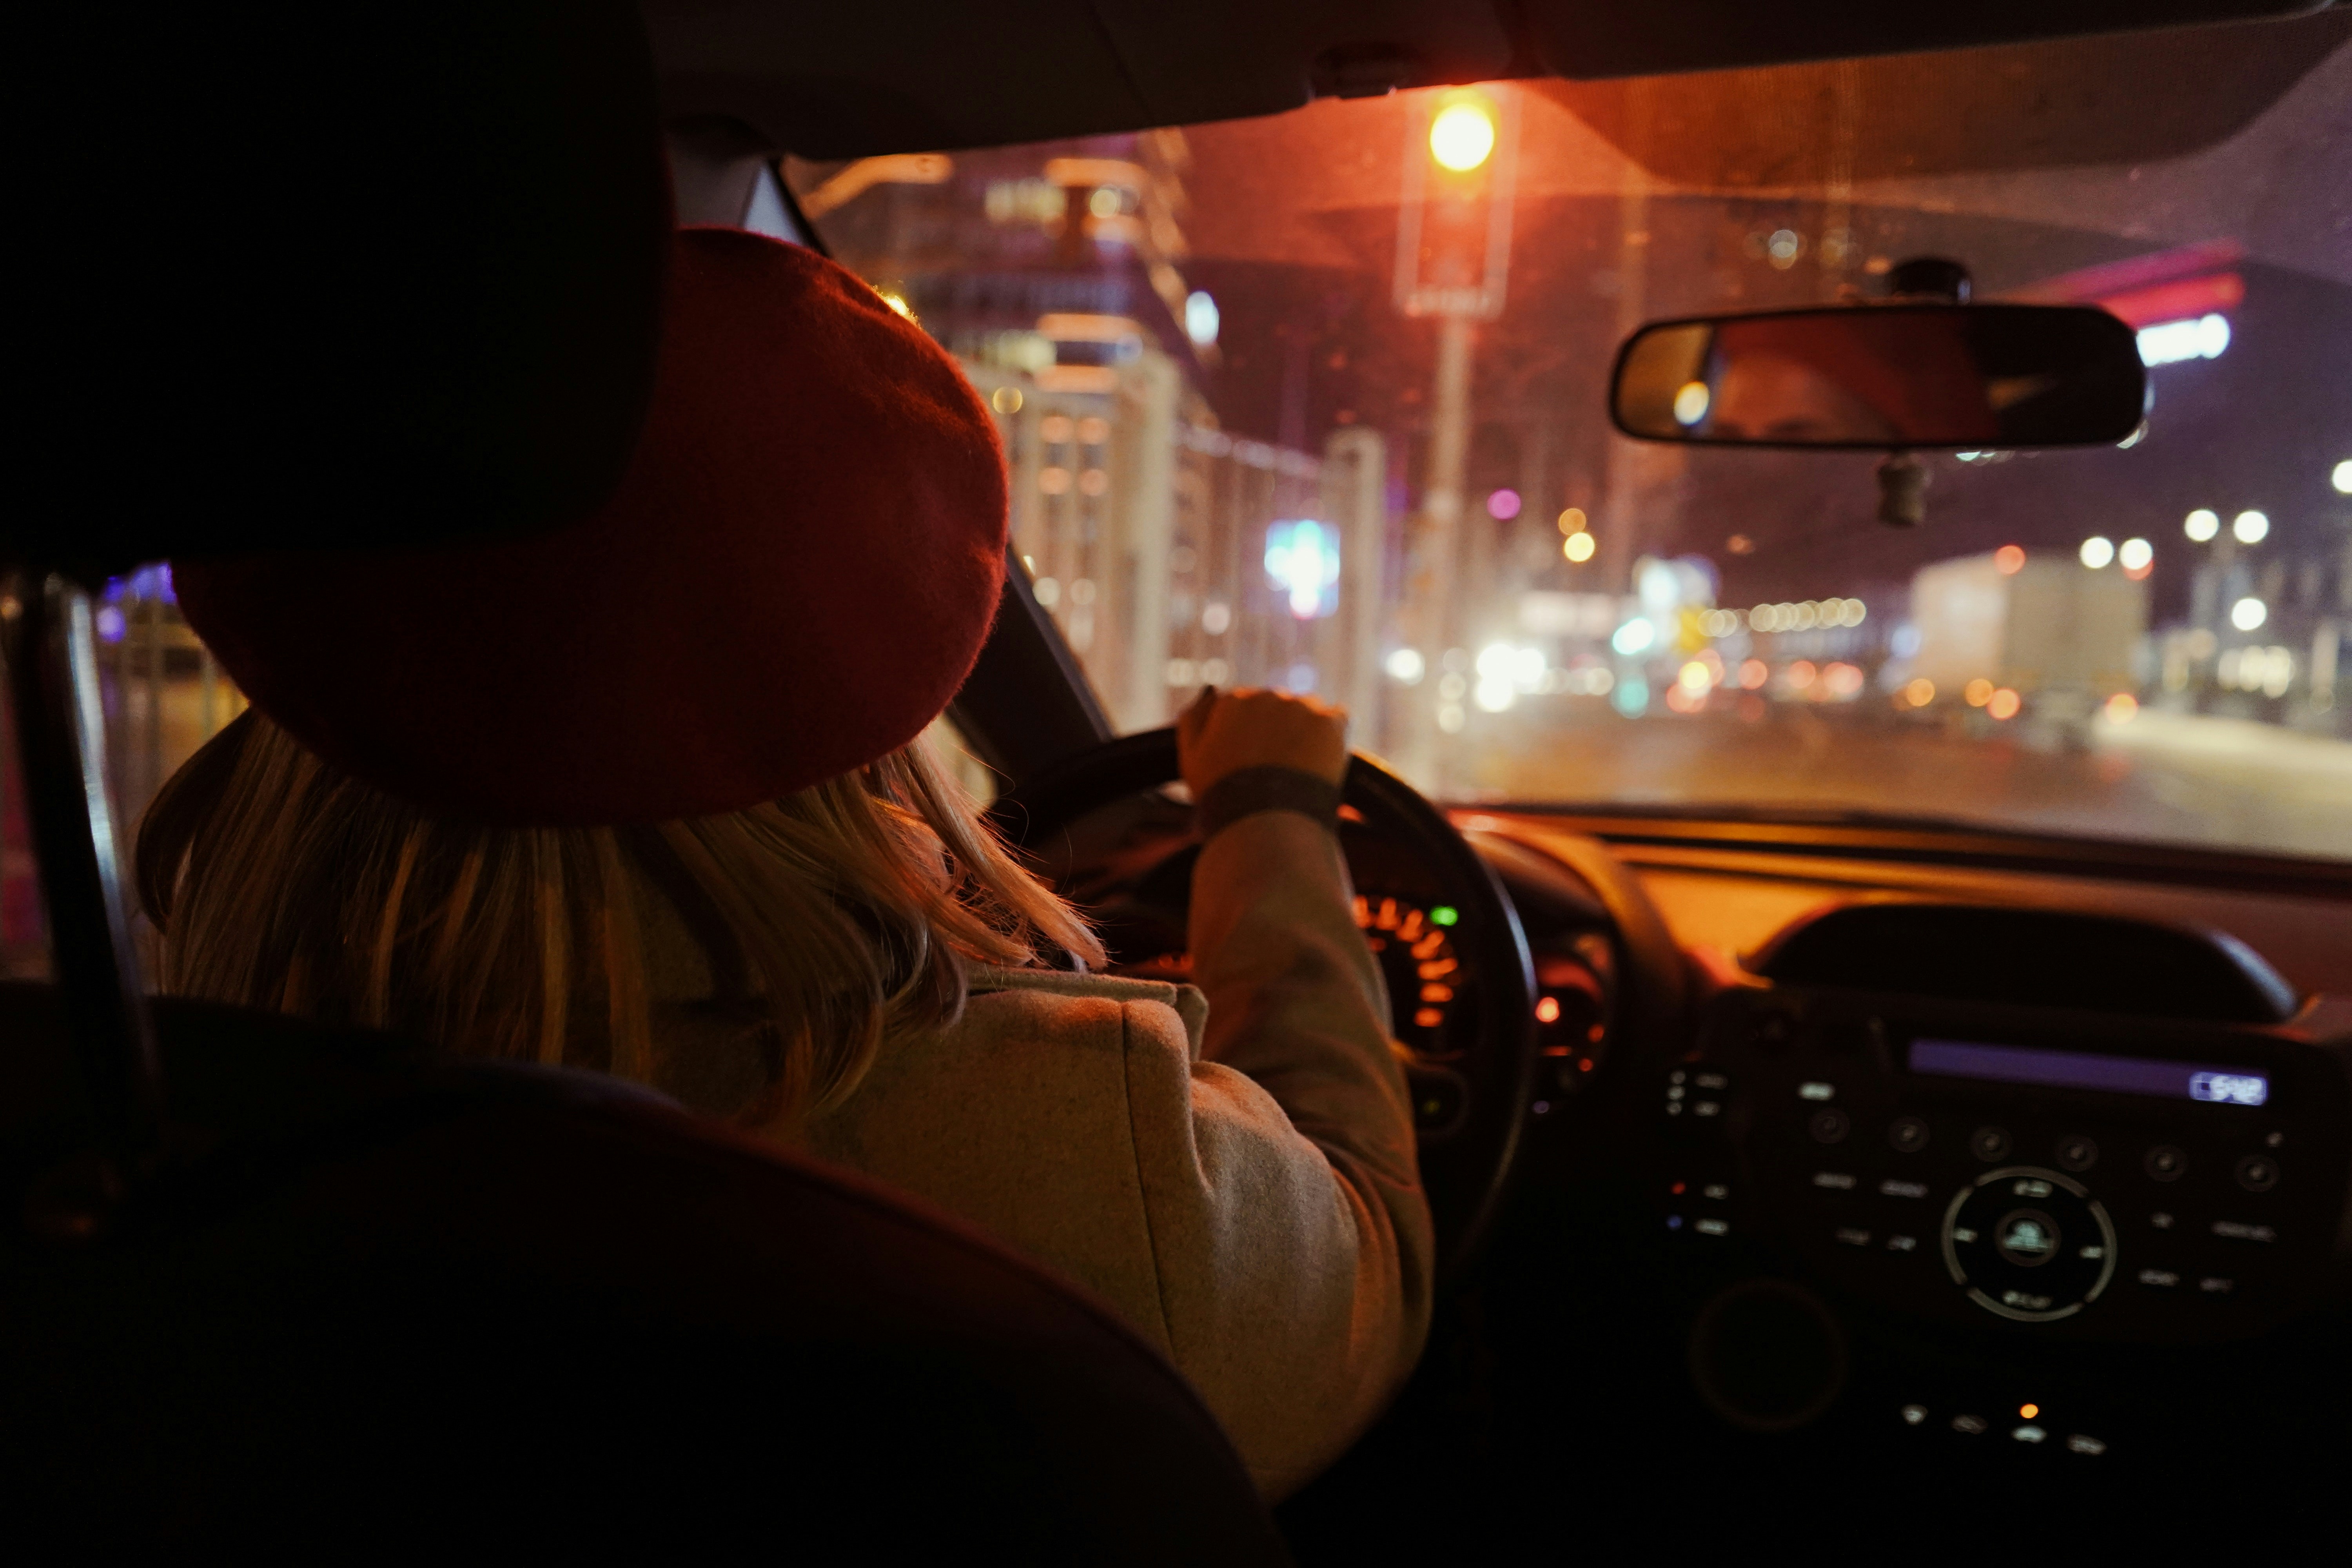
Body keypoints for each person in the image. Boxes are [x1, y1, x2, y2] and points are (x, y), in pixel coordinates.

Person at [137, 225, 1432, 1502]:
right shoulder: (1048, 1153)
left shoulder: (141, 1123)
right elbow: (1366, 1261)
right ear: (875, 724)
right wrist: (1269, 814)